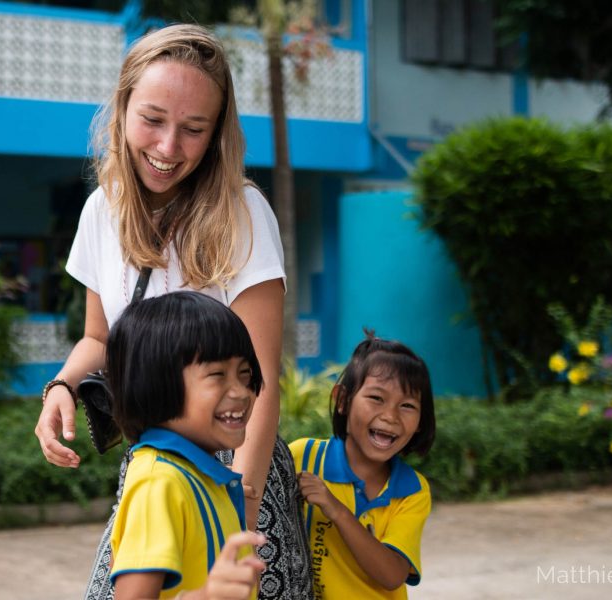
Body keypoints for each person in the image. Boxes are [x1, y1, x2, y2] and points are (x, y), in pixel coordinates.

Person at [33, 23, 312, 600]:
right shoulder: (100, 211)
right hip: (153, 470)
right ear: (123, 106)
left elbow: (260, 383)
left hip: (234, 471)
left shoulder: (243, 211)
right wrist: (60, 385)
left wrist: (242, 511)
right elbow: (98, 337)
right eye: (153, 120)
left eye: (193, 129)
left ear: (216, 135)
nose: (167, 148)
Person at [106, 291, 265, 600]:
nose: (242, 392)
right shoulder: (159, 483)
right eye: (217, 374)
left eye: (245, 374)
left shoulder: (198, 476)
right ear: (155, 384)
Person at [289, 333, 436, 599]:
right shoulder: (303, 457)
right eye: (377, 398)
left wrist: (336, 510)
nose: (390, 416)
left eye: (407, 405)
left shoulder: (413, 491)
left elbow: (392, 576)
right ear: (343, 400)